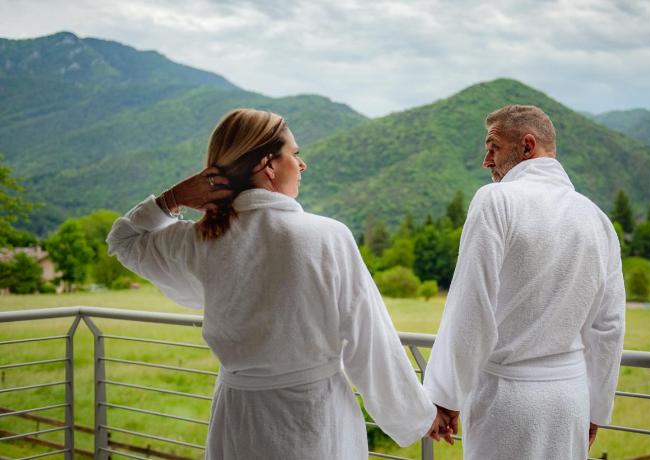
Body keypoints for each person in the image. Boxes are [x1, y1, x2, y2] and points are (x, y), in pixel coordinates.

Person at [107, 108, 451, 459]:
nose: (302, 165)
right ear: (268, 165)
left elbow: (123, 240)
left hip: (237, 421)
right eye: (294, 154)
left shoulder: (201, 240)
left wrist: (173, 198)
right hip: (312, 422)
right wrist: (421, 416)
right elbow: (370, 341)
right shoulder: (327, 237)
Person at [423, 105, 626, 459]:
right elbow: (609, 326)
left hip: (507, 401)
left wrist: (444, 397)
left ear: (528, 146)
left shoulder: (495, 201)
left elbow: (471, 307)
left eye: (493, 147)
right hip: (570, 401)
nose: (486, 161)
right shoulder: (596, 218)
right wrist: (595, 409)